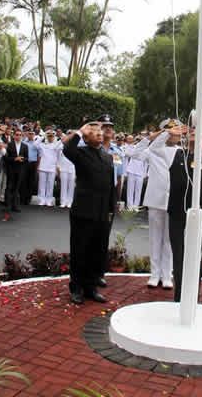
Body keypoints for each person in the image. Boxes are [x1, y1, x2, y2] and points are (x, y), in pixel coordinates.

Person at [63, 116, 118, 305]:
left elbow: (111, 185)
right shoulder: (80, 153)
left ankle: (91, 287)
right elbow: (67, 149)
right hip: (83, 211)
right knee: (80, 249)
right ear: (86, 138)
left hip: (102, 212)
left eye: (100, 132)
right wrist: (80, 131)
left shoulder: (107, 156)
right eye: (94, 133)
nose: (99, 135)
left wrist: (112, 208)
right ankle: (76, 287)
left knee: (97, 250)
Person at [164, 127, 202, 302]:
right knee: (179, 255)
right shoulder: (175, 154)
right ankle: (179, 296)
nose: (193, 135)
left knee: (195, 256)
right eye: (191, 133)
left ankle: (192, 297)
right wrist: (169, 133)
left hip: (199, 215)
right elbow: (153, 149)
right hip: (177, 213)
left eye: (198, 133)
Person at [140, 120, 182, 289]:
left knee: (169, 240)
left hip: (174, 202)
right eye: (171, 132)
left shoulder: (183, 152)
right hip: (156, 201)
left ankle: (167, 275)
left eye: (177, 132)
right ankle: (154, 274)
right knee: (155, 239)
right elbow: (135, 153)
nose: (174, 135)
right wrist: (158, 134)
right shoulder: (154, 150)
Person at [2, 126, 25, 214]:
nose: (18, 136)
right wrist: (15, 159)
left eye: (20, 135)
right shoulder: (9, 145)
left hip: (20, 170)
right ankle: (7, 205)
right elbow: (6, 158)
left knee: (17, 188)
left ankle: (15, 206)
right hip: (11, 169)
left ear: (22, 136)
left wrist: (22, 159)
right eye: (17, 135)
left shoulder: (24, 146)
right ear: (14, 136)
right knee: (9, 187)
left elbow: (27, 158)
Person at [36, 129, 61, 206]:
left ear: (54, 137)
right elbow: (35, 144)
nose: (50, 137)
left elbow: (63, 142)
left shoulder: (56, 145)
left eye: (52, 136)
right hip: (43, 167)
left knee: (50, 185)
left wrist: (56, 135)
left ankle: (49, 200)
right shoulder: (42, 145)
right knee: (42, 184)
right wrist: (44, 135)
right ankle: (42, 200)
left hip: (52, 168)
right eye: (49, 136)